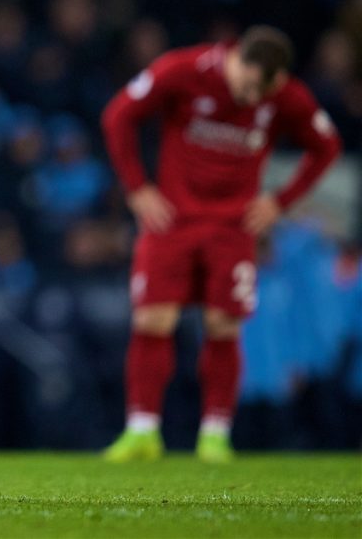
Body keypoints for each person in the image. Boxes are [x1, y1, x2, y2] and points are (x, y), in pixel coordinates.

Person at [99, 26, 341, 462]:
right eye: (248, 87)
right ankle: (142, 430)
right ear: (239, 61)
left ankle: (214, 434)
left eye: (262, 92)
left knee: (223, 326)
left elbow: (326, 145)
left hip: (232, 228)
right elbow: (118, 115)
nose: (251, 100)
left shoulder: (285, 95)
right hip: (171, 220)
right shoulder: (184, 70)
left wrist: (280, 202)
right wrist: (137, 189)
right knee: (153, 319)